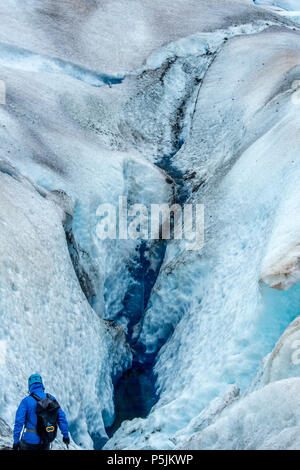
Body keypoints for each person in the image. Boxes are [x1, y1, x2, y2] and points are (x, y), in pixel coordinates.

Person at [13, 373, 70, 450]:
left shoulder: (26, 401)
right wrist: (65, 436)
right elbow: (62, 418)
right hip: (45, 440)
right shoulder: (51, 399)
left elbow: (19, 422)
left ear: (30, 386)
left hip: (29, 442)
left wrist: (16, 441)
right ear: (41, 385)